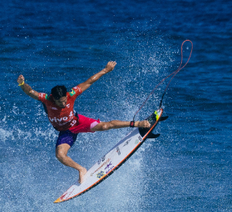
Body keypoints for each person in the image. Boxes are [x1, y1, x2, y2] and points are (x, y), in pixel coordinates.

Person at [17, 61, 154, 184]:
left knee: (106, 126)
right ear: (54, 99)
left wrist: (105, 70)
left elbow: (89, 81)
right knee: (60, 155)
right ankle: (81, 169)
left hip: (78, 122)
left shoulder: (71, 94)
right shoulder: (46, 99)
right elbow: (30, 92)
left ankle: (138, 123)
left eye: (65, 100)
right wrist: (22, 84)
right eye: (60, 102)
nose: (64, 104)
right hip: (66, 132)